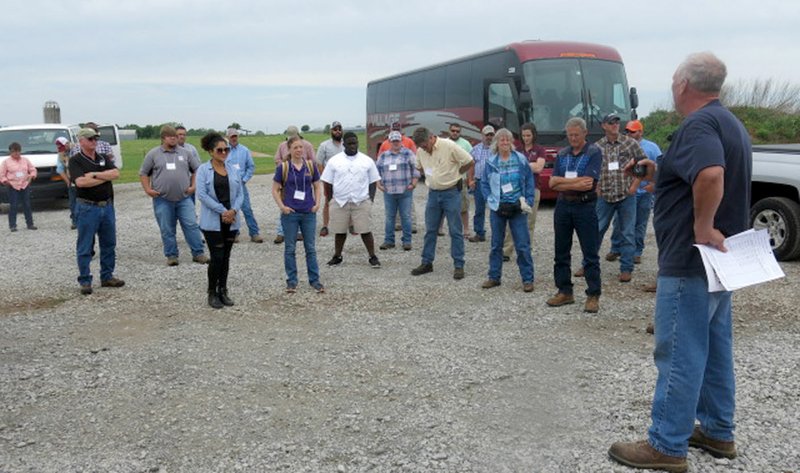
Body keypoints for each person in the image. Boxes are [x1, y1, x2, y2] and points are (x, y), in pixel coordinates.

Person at [609, 52, 752, 473]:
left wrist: (703, 227)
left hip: (691, 260)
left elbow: (710, 175)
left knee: (680, 351)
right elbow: (700, 171)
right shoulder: (729, 122)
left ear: (684, 85)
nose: (672, 87)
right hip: (719, 263)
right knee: (714, 348)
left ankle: (666, 445)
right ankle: (717, 430)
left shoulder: (699, 124)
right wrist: (661, 170)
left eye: (674, 80)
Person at [546, 117, 602, 313]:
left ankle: (593, 294)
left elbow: (588, 182)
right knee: (561, 251)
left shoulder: (594, 152)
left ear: (585, 133)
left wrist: (562, 182)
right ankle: (564, 291)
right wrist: (573, 183)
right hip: (563, 205)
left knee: (590, 253)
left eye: (576, 134)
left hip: (585, 206)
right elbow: (551, 183)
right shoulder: (562, 154)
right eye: (570, 135)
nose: (573, 138)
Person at [139, 125, 209, 266]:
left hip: (184, 198)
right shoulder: (153, 154)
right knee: (167, 228)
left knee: (191, 225)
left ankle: (198, 253)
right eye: (171, 136)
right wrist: (147, 189)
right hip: (162, 199)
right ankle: (171, 255)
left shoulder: (185, 153)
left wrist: (193, 186)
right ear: (163, 138)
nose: (174, 138)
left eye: (175, 136)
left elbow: (197, 169)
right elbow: (143, 173)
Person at [410, 127, 474, 280]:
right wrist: (434, 177)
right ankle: (427, 262)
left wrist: (458, 173)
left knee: (455, 230)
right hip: (433, 194)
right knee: (430, 230)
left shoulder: (449, 145)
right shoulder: (421, 151)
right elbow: (419, 167)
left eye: (425, 145)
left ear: (432, 137)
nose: (423, 148)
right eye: (420, 147)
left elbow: (469, 161)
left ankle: (459, 265)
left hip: (451, 193)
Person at [590, 113, 646, 283]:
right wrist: (597, 188)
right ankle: (589, 264)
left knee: (628, 232)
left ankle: (626, 268)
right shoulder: (597, 146)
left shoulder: (631, 143)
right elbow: (591, 169)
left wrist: (635, 185)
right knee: (596, 230)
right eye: (611, 122)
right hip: (605, 196)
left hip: (626, 195)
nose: (615, 124)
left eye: (616, 122)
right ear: (604, 126)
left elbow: (643, 164)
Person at [69, 128, 125, 295]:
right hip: (87, 207)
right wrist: (103, 177)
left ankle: (107, 276)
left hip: (106, 206)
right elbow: (80, 183)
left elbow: (116, 174)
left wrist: (94, 175)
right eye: (90, 139)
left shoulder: (103, 158)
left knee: (109, 243)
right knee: (85, 245)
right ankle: (85, 280)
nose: (94, 141)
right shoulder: (76, 161)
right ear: (82, 141)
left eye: (95, 138)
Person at [479, 128, 535, 292]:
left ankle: (527, 279)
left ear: (512, 143)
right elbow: (484, 184)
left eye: (507, 140)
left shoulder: (521, 160)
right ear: (497, 143)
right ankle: (494, 277)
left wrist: (528, 201)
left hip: (518, 207)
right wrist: (491, 201)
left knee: (523, 245)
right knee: (496, 244)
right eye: (501, 140)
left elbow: (530, 181)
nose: (504, 143)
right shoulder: (491, 162)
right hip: (499, 208)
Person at [196, 132, 244, 309]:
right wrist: (223, 211)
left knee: (226, 257)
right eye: (220, 150)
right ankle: (212, 292)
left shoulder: (233, 169)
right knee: (216, 257)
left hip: (231, 220)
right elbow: (202, 195)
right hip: (213, 222)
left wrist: (233, 211)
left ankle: (223, 290)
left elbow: (240, 194)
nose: (224, 153)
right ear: (210, 151)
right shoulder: (203, 170)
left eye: (227, 150)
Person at [320, 132, 382, 268]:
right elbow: (327, 182)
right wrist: (331, 199)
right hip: (340, 201)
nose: (353, 146)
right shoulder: (334, 161)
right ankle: (337, 256)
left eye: (355, 143)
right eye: (350, 143)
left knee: (365, 230)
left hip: (361, 201)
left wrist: (370, 199)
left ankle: (372, 256)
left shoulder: (367, 160)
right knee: (340, 231)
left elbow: (373, 181)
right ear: (344, 144)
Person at [272, 136, 324, 293]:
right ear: (289, 149)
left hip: (308, 212)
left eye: (301, 147)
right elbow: (275, 189)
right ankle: (292, 281)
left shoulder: (310, 166)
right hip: (291, 214)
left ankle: (314, 280)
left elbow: (317, 185)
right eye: (295, 147)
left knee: (310, 248)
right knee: (290, 248)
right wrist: (282, 207)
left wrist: (317, 203)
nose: (299, 150)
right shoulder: (284, 168)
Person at [608, 120, 663, 264]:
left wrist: (653, 184)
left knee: (640, 223)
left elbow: (660, 167)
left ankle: (636, 252)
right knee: (619, 222)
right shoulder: (622, 146)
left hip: (643, 193)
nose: (629, 134)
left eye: (633, 131)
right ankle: (616, 248)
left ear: (640, 132)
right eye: (627, 131)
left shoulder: (652, 148)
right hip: (624, 192)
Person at [502, 122, 546, 260]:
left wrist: (521, 164)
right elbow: (509, 166)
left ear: (533, 135)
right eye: (524, 135)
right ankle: (506, 250)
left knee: (529, 222)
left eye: (528, 135)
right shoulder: (517, 150)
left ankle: (526, 250)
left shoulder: (540, 150)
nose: (526, 138)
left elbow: (539, 168)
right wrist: (529, 165)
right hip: (516, 189)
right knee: (512, 220)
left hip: (533, 189)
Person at [376, 131, 419, 251]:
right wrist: (379, 184)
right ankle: (389, 241)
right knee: (390, 217)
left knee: (406, 216)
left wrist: (413, 184)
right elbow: (376, 171)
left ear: (401, 141)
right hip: (389, 192)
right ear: (389, 142)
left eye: (397, 140)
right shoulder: (383, 156)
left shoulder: (408, 153)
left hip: (405, 191)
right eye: (393, 141)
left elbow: (416, 168)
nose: (395, 143)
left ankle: (407, 241)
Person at [274, 126, 316, 243]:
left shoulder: (307, 145)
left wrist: (304, 168)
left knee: (303, 206)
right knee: (285, 204)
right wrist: (284, 166)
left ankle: (299, 232)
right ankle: (281, 232)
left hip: (303, 179)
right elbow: (276, 159)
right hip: (288, 178)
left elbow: (313, 159)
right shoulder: (282, 145)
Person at [225, 127, 263, 243]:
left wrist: (245, 179)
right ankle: (234, 233)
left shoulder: (244, 150)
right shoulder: (224, 151)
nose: (234, 139)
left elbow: (251, 167)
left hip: (241, 185)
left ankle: (254, 233)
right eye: (232, 137)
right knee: (231, 210)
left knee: (247, 209)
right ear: (228, 137)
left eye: (235, 136)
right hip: (228, 185)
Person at [315, 121, 344, 237]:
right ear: (331, 131)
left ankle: (350, 224)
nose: (337, 131)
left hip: (345, 179)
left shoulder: (345, 144)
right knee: (328, 202)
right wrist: (325, 178)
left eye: (339, 129)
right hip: (330, 180)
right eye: (335, 129)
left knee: (349, 201)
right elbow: (319, 163)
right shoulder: (324, 145)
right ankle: (325, 226)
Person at [467, 125, 495, 243]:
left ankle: (497, 233)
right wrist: (470, 180)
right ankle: (479, 233)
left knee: (496, 209)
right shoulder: (475, 149)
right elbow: (470, 166)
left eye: (491, 135)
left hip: (494, 183)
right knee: (479, 210)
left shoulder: (498, 149)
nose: (489, 137)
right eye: (487, 135)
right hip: (479, 183)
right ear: (482, 136)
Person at [0, 142, 37, 232]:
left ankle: (30, 224)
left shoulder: (25, 160)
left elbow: (32, 169)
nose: (16, 153)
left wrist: (32, 176)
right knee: (14, 206)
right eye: (14, 152)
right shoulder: (6, 162)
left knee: (27, 205)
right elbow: (2, 174)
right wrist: (5, 181)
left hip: (25, 185)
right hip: (13, 186)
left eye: (18, 151)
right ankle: (12, 225)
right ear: (10, 152)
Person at [448, 123, 474, 239]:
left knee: (464, 206)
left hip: (461, 179)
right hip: (447, 180)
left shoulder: (466, 144)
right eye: (453, 130)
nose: (455, 133)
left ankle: (466, 229)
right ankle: (440, 228)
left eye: (457, 131)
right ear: (449, 131)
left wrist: (470, 179)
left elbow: (471, 162)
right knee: (444, 206)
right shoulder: (444, 143)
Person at [55, 137, 77, 229]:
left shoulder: (77, 149)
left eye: (63, 147)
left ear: (67, 143)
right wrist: (67, 181)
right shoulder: (60, 154)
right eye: (60, 148)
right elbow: (59, 169)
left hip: (82, 178)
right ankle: (75, 221)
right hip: (71, 180)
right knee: (72, 202)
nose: (62, 150)